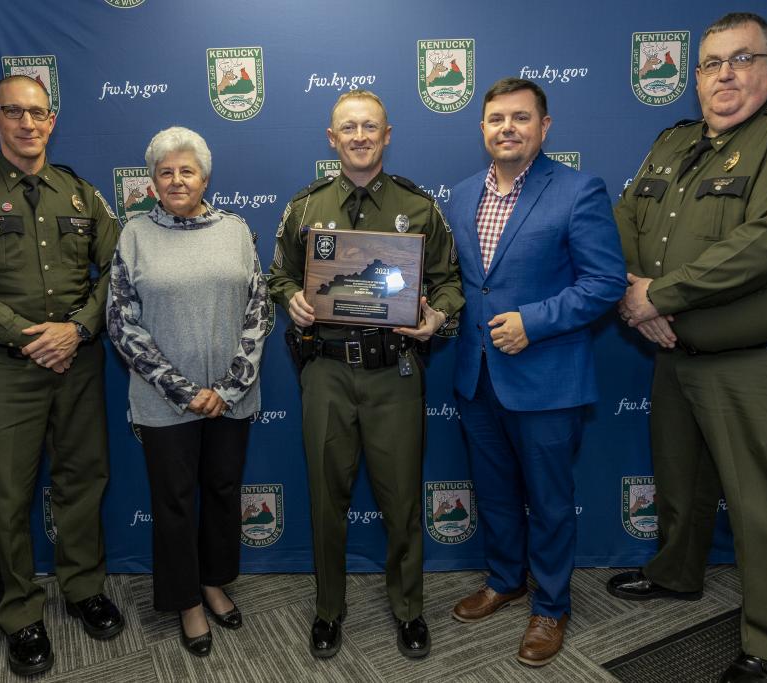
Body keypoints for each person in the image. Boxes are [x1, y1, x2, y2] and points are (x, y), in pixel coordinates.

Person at [608, 13, 767, 683]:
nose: (726, 74)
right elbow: (626, 220)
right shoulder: (673, 144)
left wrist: (661, 296)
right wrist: (638, 293)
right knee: (680, 478)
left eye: (743, 60)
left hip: (762, 361)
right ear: (695, 78)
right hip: (677, 349)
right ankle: (677, 572)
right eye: (713, 63)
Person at [0, 75, 123, 676]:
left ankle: (83, 587)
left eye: (37, 113)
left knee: (82, 480)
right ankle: (19, 614)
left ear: (52, 120)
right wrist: (30, 337)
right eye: (14, 112)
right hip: (4, 369)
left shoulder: (82, 195)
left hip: (79, 363)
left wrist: (79, 329)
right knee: (7, 496)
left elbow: (121, 270)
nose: (27, 124)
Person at [268, 90, 463, 659]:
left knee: (402, 500)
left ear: (387, 134)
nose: (359, 136)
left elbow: (450, 281)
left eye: (369, 127)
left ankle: (409, 608)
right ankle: (328, 608)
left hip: (394, 370)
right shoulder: (305, 208)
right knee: (326, 499)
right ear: (332, 138)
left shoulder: (419, 207)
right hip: (325, 371)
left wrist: (437, 314)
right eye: (348, 128)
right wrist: (293, 300)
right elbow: (277, 274)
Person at [446, 77, 626, 667]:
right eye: (496, 118)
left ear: (543, 128)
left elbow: (603, 283)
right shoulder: (464, 192)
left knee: (549, 501)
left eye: (520, 118)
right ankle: (505, 579)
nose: (507, 128)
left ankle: (551, 606)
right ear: (482, 129)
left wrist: (534, 322)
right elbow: (472, 284)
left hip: (547, 377)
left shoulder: (578, 190)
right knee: (495, 494)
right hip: (476, 376)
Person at [107, 126, 269, 658]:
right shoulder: (132, 234)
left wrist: (226, 388)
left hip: (231, 399)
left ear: (205, 176)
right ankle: (186, 601)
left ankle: (214, 581)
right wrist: (182, 390)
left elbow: (258, 311)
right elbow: (122, 323)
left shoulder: (237, 230)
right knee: (174, 503)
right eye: (165, 172)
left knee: (222, 492)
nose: (177, 180)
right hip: (163, 403)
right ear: (152, 181)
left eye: (187, 170)